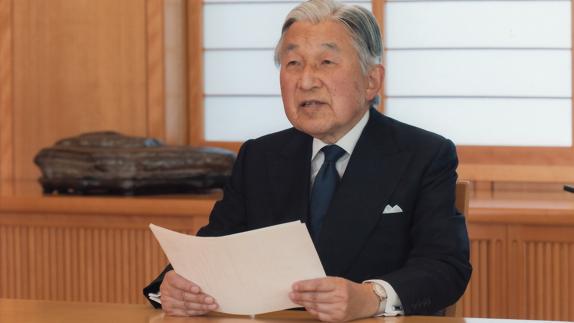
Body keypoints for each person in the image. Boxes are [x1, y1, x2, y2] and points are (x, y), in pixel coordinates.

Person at [143, 0, 471, 321]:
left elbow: (445, 265)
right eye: (293, 64)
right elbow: (213, 249)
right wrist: (175, 287)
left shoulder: (424, 154)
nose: (306, 80)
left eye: (326, 62)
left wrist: (372, 297)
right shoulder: (259, 157)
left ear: (372, 81)